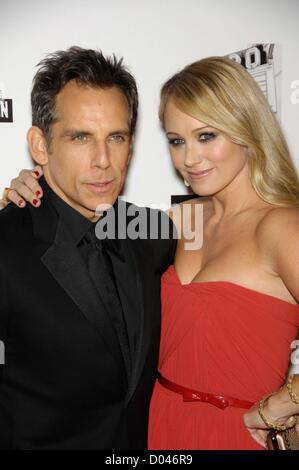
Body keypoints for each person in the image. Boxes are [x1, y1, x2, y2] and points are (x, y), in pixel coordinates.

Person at [2, 56, 299, 450]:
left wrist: (285, 403)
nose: (190, 159)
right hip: (162, 435)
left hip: (235, 434)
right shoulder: (180, 223)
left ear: (247, 129)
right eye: (177, 141)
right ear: (41, 145)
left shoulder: (278, 228)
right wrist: (28, 190)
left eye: (207, 135)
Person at [0, 46, 176, 450]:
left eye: (116, 137)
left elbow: (221, 220)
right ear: (41, 146)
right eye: (81, 138)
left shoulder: (147, 231)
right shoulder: (6, 246)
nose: (103, 161)